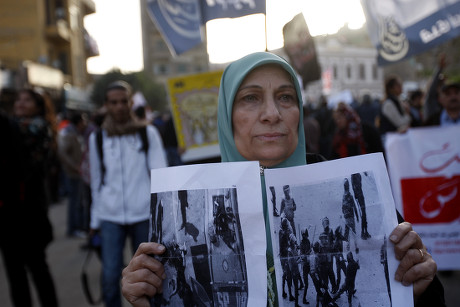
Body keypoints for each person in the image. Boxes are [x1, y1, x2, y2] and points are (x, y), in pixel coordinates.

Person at [120, 52, 444, 307]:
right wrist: (148, 297)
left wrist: (414, 290)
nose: (272, 113)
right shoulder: (187, 215)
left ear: (299, 112)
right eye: (250, 98)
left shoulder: (354, 192)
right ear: (226, 115)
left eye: (286, 97)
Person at [89, 80, 167, 307]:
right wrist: (94, 220)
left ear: (131, 102)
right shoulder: (99, 138)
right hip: (110, 216)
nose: (119, 107)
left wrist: (160, 215)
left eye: (124, 101)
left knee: (149, 274)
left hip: (143, 214)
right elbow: (96, 181)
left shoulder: (147, 133)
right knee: (111, 274)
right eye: (114, 102)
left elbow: (160, 175)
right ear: (106, 105)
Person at [0, 89, 59, 307]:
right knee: (15, 272)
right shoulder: (13, 127)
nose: (21, 103)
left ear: (39, 106)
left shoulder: (36, 128)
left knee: (36, 268)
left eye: (27, 100)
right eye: (18, 99)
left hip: (31, 211)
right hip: (10, 210)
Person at [58, 112, 87, 238]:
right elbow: (63, 153)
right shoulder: (70, 133)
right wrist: (74, 166)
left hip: (76, 172)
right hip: (73, 174)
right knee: (75, 202)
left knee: (77, 201)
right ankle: (73, 228)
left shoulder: (73, 132)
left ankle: (75, 227)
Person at [379, 75, 412, 142]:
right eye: (398, 85)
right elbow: (400, 123)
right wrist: (407, 113)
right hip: (391, 140)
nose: (401, 87)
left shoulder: (397, 101)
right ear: (391, 88)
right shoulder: (389, 104)